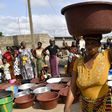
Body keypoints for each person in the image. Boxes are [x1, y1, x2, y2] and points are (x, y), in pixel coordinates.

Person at [64, 35, 112, 112]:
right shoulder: (78, 62)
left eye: (93, 43)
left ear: (99, 44)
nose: (90, 46)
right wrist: (67, 107)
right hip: (85, 106)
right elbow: (72, 87)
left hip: (104, 105)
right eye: (87, 43)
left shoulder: (106, 56)